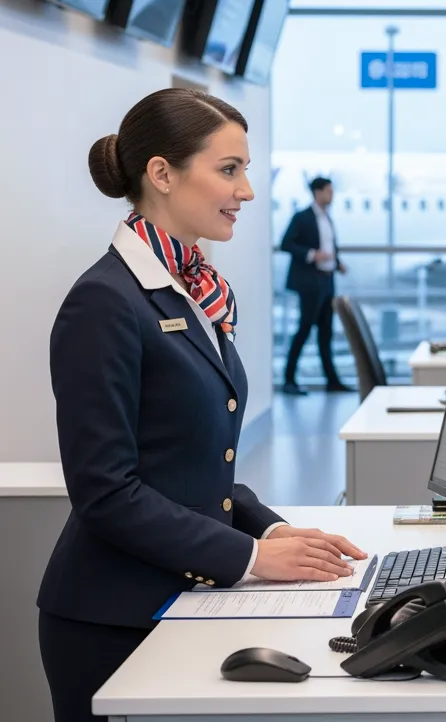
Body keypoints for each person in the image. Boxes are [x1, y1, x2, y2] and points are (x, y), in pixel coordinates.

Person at [40, 89, 366, 722]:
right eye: (228, 169)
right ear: (161, 174)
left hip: (181, 594)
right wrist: (250, 557)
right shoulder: (106, 301)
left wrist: (271, 529)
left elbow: (187, 467)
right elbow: (105, 491)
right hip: (112, 619)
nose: (245, 191)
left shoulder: (192, 289)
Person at [280, 176, 350, 395]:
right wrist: (312, 255)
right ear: (317, 193)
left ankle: (332, 380)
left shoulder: (327, 218)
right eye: (328, 191)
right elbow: (286, 243)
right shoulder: (303, 217)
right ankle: (289, 379)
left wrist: (337, 263)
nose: (332, 195)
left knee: (326, 332)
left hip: (327, 280)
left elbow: (329, 245)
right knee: (304, 328)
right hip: (310, 282)